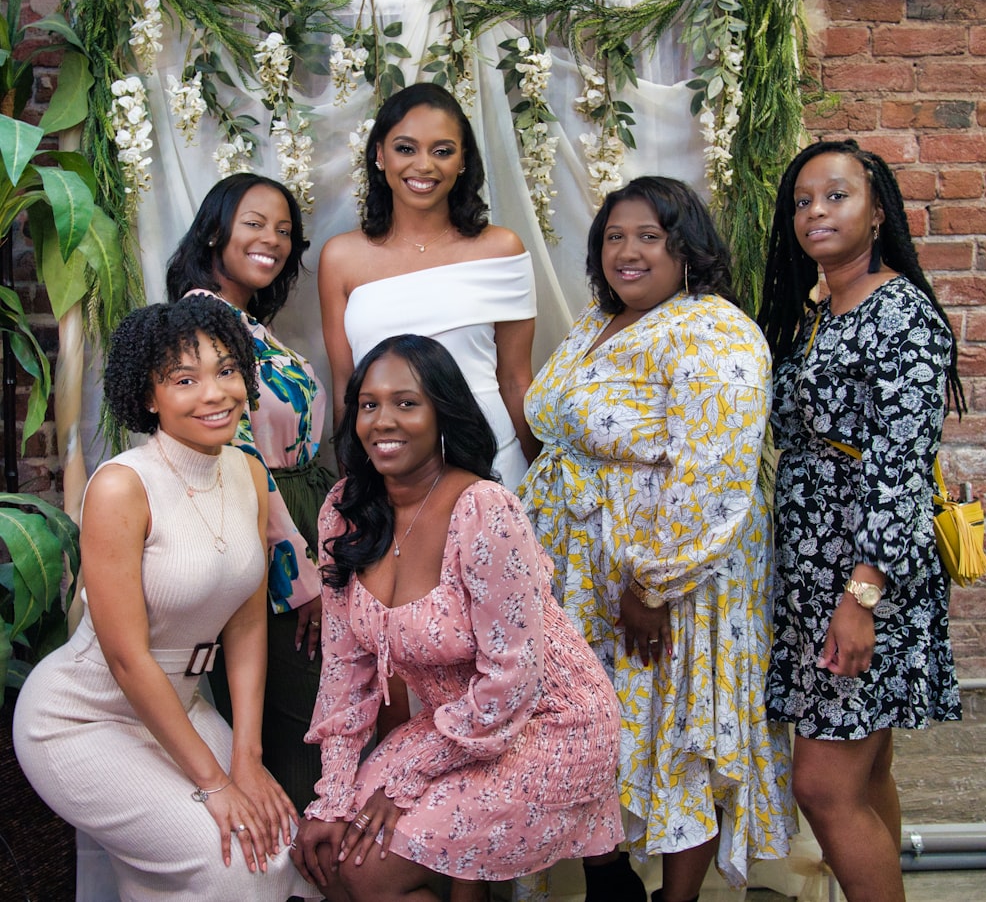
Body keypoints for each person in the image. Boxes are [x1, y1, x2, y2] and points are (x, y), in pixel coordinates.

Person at [520, 176, 795, 902]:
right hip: (584, 577)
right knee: (589, 732)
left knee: (675, 735)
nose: (628, 251)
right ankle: (614, 885)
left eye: (650, 236)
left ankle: (676, 900)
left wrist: (651, 587)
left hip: (670, 587)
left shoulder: (713, 330)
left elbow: (716, 474)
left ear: (687, 247)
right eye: (614, 236)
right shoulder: (598, 320)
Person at [290, 334, 624, 902]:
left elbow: (511, 682)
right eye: (369, 405)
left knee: (369, 873)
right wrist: (333, 796)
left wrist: (409, 774)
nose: (383, 421)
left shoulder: (484, 509)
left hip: (549, 724)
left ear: (443, 413)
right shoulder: (344, 514)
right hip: (455, 725)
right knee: (336, 851)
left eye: (406, 403)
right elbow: (345, 675)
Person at [13, 296, 318, 900]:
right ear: (149, 396)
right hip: (83, 717)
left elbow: (247, 625)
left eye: (227, 370)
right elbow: (126, 658)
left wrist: (248, 761)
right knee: (226, 862)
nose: (216, 393)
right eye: (186, 379)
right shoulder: (122, 485)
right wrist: (216, 783)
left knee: (283, 851)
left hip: (179, 710)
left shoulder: (247, 473)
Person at [757, 139, 965, 902]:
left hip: (865, 575)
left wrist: (861, 597)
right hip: (819, 572)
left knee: (823, 785)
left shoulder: (899, 316)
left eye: (836, 196)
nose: (815, 211)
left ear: (877, 212)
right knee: (865, 772)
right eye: (803, 200)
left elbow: (899, 471)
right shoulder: (818, 311)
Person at [167, 172, 336, 813]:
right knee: (302, 725)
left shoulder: (243, 325)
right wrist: (300, 574)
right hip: (269, 544)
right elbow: (232, 456)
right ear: (216, 230)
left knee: (320, 720)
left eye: (285, 230)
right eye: (255, 223)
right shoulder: (201, 324)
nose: (273, 240)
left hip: (305, 527)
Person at [318, 82, 539, 490]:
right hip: (387, 467)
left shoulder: (501, 248)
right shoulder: (340, 258)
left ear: (462, 161)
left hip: (492, 464)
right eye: (406, 148)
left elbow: (515, 380)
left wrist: (543, 480)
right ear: (380, 156)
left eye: (442, 151)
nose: (424, 165)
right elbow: (346, 387)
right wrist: (352, 486)